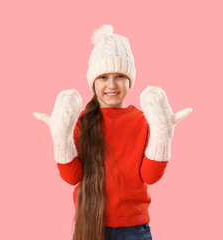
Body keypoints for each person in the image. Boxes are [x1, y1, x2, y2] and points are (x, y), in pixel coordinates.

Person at [33, 24, 192, 240]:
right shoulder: (80, 121)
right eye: (103, 77)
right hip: (90, 225)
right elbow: (72, 178)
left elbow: (150, 177)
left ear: (130, 80)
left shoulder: (143, 120)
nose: (112, 84)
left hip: (134, 228)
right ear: (93, 81)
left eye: (120, 76)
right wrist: (61, 137)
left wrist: (162, 134)